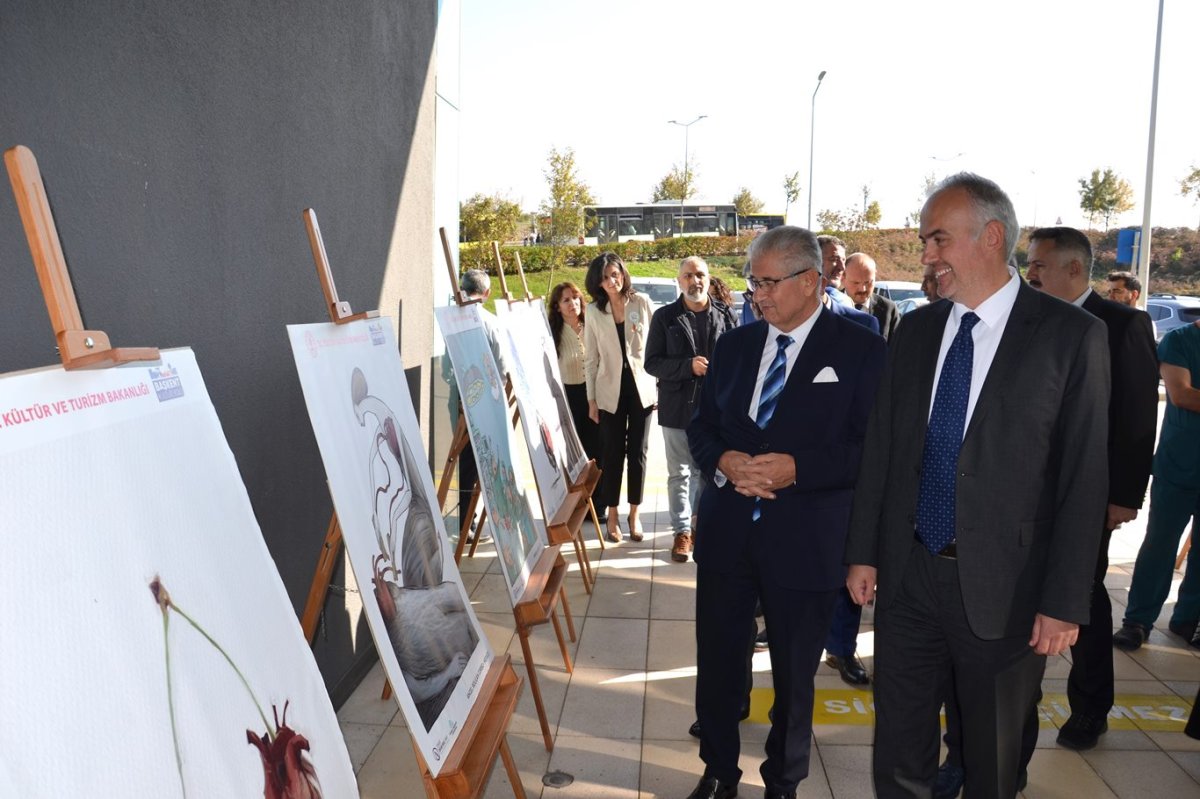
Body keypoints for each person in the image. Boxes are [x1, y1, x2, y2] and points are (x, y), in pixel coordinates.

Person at [845, 173, 1110, 799]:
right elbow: (884, 451)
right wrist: (863, 550)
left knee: (992, 758)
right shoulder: (915, 331)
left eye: (938, 239)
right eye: (924, 240)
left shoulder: (1071, 337)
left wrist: (1065, 600)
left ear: (991, 237)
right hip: (910, 576)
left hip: (1008, 590)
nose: (927, 255)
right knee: (900, 748)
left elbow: (1083, 479)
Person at [686, 225, 886, 799]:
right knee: (720, 665)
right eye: (754, 282)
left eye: (770, 282)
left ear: (811, 280)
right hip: (727, 535)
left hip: (806, 541)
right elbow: (702, 427)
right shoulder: (736, 345)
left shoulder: (860, 349)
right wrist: (723, 459)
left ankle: (784, 781)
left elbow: (873, 450)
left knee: (795, 676)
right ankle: (720, 769)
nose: (759, 295)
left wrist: (798, 468)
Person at [1113, 315, 1200, 650]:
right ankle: (1137, 620)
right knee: (1160, 545)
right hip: (1180, 464)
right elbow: (1183, 395)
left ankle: (1188, 620)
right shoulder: (1179, 340)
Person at [645, 256, 737, 563]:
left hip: (713, 411)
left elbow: (740, 363)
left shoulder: (726, 315)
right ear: (679, 280)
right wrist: (688, 366)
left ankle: (699, 525)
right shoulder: (664, 317)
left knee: (705, 473)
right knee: (679, 474)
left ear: (709, 279)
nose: (694, 281)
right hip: (676, 408)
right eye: (687, 275)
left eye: (700, 275)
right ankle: (681, 532)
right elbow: (652, 362)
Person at [584, 252, 657, 543]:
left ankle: (634, 513)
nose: (612, 281)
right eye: (605, 277)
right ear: (597, 282)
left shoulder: (642, 302)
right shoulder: (593, 312)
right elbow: (591, 359)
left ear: (623, 274)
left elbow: (655, 348)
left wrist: (658, 387)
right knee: (612, 454)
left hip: (642, 390)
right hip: (608, 393)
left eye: (616, 274)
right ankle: (611, 514)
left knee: (638, 454)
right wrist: (591, 399)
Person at [547, 281, 600, 464]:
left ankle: (599, 492)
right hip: (569, 398)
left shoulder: (592, 324)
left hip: (596, 394)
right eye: (566, 300)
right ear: (557, 307)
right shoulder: (552, 333)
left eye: (576, 298)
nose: (573, 304)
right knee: (575, 453)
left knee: (597, 450)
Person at [844, 252, 900, 340]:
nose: (862, 289)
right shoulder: (830, 305)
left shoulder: (888, 309)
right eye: (856, 283)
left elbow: (896, 348)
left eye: (868, 282)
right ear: (843, 277)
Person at [817, 235, 854, 306]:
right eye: (834, 259)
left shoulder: (846, 302)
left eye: (843, 260)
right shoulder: (793, 299)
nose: (842, 267)